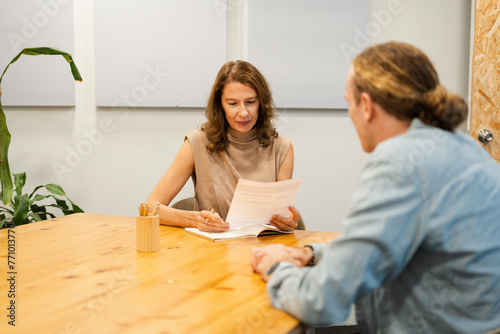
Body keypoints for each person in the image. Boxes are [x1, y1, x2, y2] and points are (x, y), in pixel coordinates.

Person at [250, 41, 500, 333]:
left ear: (366, 106)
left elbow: (322, 301)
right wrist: (312, 253)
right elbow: (381, 248)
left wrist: (277, 268)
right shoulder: (464, 147)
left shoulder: (400, 162)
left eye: (349, 103)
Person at [147, 60, 299, 233]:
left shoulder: (282, 148)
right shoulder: (197, 143)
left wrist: (287, 220)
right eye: (233, 103)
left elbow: (282, 214)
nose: (243, 112)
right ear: (220, 105)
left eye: (250, 102)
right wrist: (194, 219)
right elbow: (150, 207)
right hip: (213, 250)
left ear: (261, 103)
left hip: (262, 249)